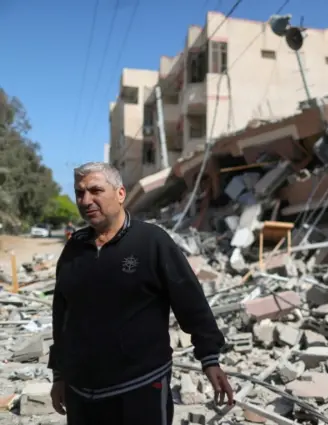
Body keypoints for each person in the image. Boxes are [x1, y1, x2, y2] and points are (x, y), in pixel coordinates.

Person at [48, 162, 233, 425]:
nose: (86, 200)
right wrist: (59, 374)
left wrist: (209, 358)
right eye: (80, 193)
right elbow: (62, 316)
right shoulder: (74, 249)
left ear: (120, 194)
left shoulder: (152, 242)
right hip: (82, 391)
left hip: (141, 385)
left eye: (96, 190)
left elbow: (190, 301)